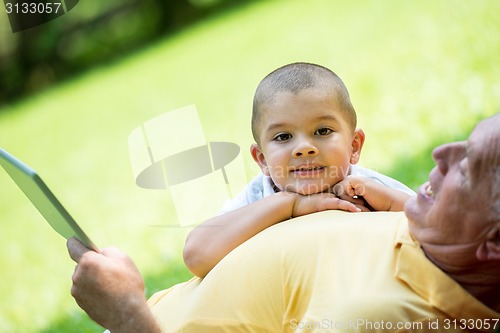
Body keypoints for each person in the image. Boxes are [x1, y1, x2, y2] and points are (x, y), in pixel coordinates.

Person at [68, 113, 500, 333]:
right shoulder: (436, 235)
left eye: (468, 167)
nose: (442, 153)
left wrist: (126, 313)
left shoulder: (377, 319)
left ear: (493, 243)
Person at [183, 62, 414, 278]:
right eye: (283, 137)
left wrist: (387, 201)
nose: (304, 148)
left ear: (354, 146)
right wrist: (289, 204)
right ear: (262, 159)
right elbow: (197, 255)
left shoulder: (366, 188)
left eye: (323, 131)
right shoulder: (257, 198)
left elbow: (434, 227)